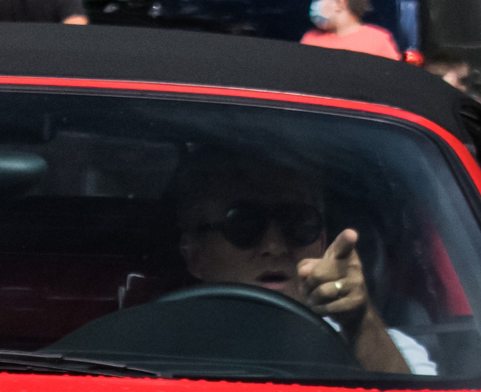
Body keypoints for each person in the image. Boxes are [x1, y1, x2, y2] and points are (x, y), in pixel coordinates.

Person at [172, 150, 434, 376]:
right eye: (243, 225)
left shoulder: (385, 347)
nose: (274, 247)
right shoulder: (155, 346)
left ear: (321, 244)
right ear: (195, 253)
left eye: (297, 224)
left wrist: (360, 323)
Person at [299, 0, 399, 60]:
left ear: (340, 3)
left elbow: (394, 77)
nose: (315, 3)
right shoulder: (310, 40)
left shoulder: (377, 42)